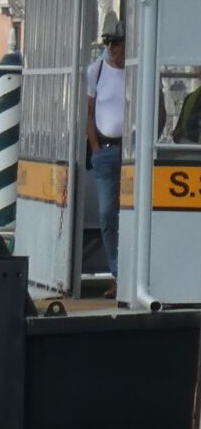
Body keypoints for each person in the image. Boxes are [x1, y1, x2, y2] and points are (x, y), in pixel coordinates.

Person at [85, 23, 126, 276]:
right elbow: (89, 113)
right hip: (106, 151)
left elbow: (159, 111)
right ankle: (117, 272)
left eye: (115, 42)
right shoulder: (96, 71)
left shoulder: (137, 72)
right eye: (107, 42)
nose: (110, 47)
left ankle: (127, 274)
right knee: (106, 214)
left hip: (132, 153)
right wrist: (95, 148)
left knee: (133, 212)